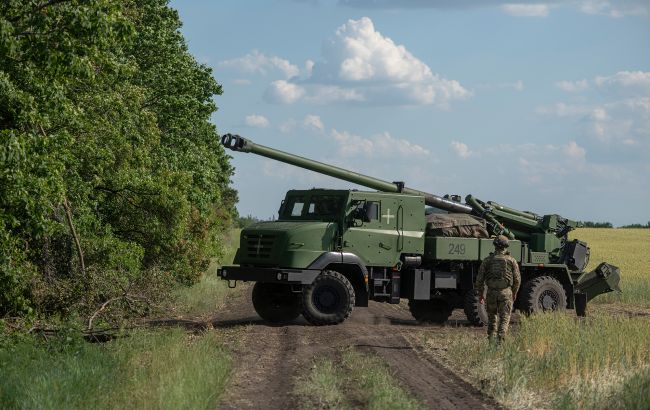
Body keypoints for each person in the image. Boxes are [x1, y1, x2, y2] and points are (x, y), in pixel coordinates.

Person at [475, 235, 521, 343]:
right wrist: (514, 292)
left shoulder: (487, 260)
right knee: (504, 318)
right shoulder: (511, 260)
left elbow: (479, 280)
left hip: (491, 292)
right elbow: (517, 280)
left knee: (492, 318)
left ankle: (491, 341)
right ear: (506, 246)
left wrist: (481, 294)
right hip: (506, 293)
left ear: (495, 245)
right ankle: (501, 341)